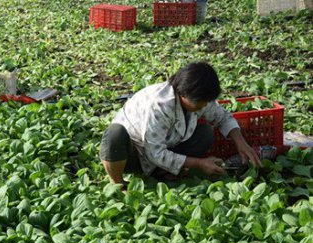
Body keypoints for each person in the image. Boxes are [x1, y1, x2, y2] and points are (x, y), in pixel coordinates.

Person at [99, 62, 262, 188]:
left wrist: (241, 142)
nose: (204, 106)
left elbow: (221, 116)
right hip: (134, 153)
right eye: (200, 102)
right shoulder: (160, 105)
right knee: (114, 134)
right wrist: (199, 163)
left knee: (205, 133)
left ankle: (163, 172)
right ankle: (118, 184)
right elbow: (155, 153)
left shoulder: (197, 97)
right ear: (183, 94)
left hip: (165, 146)